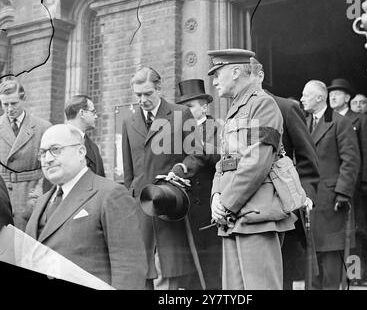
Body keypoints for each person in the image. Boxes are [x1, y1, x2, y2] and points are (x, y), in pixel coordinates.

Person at [208, 49, 297, 290]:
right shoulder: (235, 109)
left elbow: (257, 162)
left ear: (236, 71)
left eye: (217, 73)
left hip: (257, 216)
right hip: (234, 217)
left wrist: (225, 202)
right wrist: (216, 195)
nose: (214, 81)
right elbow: (223, 162)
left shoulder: (263, 104)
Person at [25, 124, 147, 290]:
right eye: (43, 152)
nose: (48, 159)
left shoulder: (110, 194)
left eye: (55, 149)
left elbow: (130, 267)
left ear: (81, 152)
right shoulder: (42, 201)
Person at [122, 66, 207, 290]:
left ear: (159, 89)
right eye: (138, 95)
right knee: (143, 274)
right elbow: (129, 172)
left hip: (170, 203)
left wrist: (179, 170)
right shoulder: (128, 122)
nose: (142, 99)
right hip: (141, 208)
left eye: (148, 93)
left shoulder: (180, 114)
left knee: (169, 273)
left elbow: (196, 154)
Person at [250, 57, 320, 289]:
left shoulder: (286, 108)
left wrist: (305, 194)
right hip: (247, 211)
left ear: (259, 77)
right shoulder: (234, 114)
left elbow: (308, 158)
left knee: (282, 276)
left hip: (282, 209)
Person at [300, 80, 360, 289]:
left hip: (331, 202)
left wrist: (343, 194)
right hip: (310, 200)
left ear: (319, 97)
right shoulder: (304, 123)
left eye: (305, 95)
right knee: (313, 261)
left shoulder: (339, 122)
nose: (301, 99)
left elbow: (350, 161)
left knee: (332, 261)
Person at [176, 79, 222, 290]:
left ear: (204, 106)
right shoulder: (177, 131)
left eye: (191, 106)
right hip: (184, 209)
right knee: (188, 271)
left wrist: (202, 147)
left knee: (212, 266)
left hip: (210, 206)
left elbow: (224, 160)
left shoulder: (218, 128)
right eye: (183, 107)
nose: (186, 110)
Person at [328, 78, 367, 282]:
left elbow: (365, 151)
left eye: (337, 94)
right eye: (330, 94)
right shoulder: (327, 120)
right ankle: (337, 275)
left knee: (357, 229)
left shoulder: (361, 119)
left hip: (355, 186)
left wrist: (366, 182)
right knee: (336, 231)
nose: (332, 97)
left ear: (348, 98)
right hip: (334, 185)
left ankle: (354, 275)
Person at [0, 79, 51, 230]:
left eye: (14, 103)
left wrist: (36, 198)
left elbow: (49, 168)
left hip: (30, 197)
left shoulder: (43, 128)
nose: (9, 109)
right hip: (2, 198)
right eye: (5, 104)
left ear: (24, 99)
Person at [65, 94, 105, 177]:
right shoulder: (58, 140)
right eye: (93, 112)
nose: (96, 116)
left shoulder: (93, 147)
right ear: (82, 113)